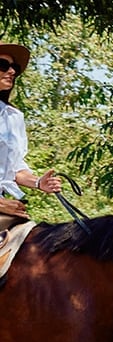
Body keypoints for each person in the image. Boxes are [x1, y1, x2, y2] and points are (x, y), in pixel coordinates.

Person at [0, 42, 64, 230]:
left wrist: (38, 182)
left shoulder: (13, 117)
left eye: (14, 67)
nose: (12, 71)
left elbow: (14, 168)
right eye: (3, 65)